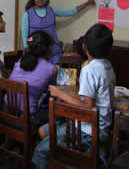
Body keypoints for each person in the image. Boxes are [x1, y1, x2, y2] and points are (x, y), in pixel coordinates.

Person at [32, 23, 115, 169]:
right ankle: (66, 155)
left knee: (40, 151)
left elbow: (87, 106)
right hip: (100, 126)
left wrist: (60, 94)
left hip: (88, 130)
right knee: (43, 131)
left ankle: (68, 156)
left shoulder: (90, 69)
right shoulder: (107, 65)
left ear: (85, 46)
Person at [22, 0, 95, 64]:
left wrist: (87, 3)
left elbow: (70, 12)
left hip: (52, 51)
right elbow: (25, 34)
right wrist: (27, 46)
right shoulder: (27, 14)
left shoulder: (52, 10)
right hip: (34, 51)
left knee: (52, 72)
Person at [9, 30, 57, 128]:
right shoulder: (51, 69)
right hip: (27, 118)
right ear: (48, 48)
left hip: (6, 112)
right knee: (57, 116)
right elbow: (54, 88)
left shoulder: (20, 61)